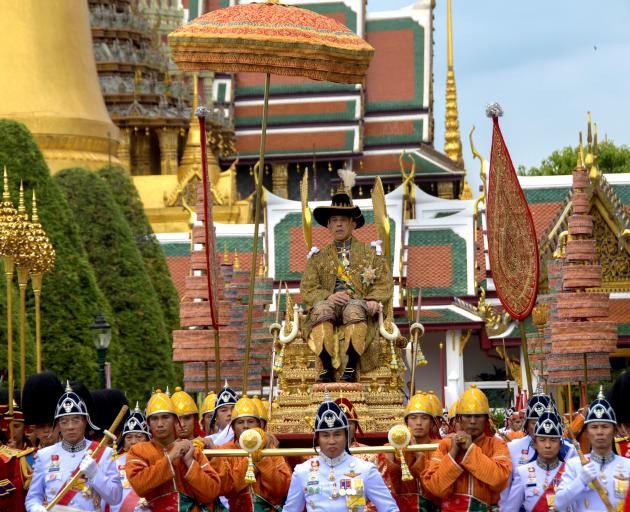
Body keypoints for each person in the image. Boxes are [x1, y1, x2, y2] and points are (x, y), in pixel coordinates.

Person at [300, 170, 393, 383]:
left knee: (354, 310)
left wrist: (372, 301)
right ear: (328, 225)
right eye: (334, 220)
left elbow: (384, 283)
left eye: (344, 220)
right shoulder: (318, 258)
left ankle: (351, 367)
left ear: (353, 224)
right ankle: (325, 367)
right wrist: (328, 296)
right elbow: (307, 289)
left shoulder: (371, 255)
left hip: (357, 304)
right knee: (321, 309)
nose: (339, 224)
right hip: (330, 306)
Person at [283, 397, 398, 511]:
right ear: (317, 438)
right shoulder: (302, 471)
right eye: (326, 435)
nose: (332, 441)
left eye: (337, 434)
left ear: (346, 435)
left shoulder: (365, 469)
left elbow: (390, 509)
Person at [25, 381, 122, 512]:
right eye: (64, 421)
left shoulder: (104, 453)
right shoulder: (44, 455)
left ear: (85, 422)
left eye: (76, 420)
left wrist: (95, 474)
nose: (70, 426)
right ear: (58, 425)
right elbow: (33, 498)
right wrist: (36, 509)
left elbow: (116, 497)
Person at [125, 389, 226, 511]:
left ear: (175, 421)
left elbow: (211, 492)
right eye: (154, 419)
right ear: (148, 423)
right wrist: (171, 457)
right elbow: (140, 486)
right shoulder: (138, 451)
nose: (160, 424)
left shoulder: (192, 449)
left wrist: (190, 462)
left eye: (165, 417)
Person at [422, 384, 511, 511]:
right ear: (459, 419)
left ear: (486, 419)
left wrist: (470, 449)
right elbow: (435, 487)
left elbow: (499, 480)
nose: (473, 421)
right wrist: (453, 452)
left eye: (478, 416)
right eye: (468, 416)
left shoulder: (497, 444)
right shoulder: (445, 445)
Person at [210, 395, 291, 511]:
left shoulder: (270, 449)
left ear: (259, 425)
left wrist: (263, 460)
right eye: (240, 422)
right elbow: (226, 487)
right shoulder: (224, 451)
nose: (246, 426)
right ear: (233, 427)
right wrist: (251, 462)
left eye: (251, 421)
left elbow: (283, 489)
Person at [555, 388, 630, 511]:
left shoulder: (627, 465)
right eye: (594, 427)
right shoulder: (575, 465)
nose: (599, 432)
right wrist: (580, 481)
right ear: (587, 433)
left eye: (605, 426)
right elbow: (558, 504)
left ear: (614, 430)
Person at [500, 387, 576, 506]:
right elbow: (506, 490)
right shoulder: (513, 448)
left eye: (546, 422)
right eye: (534, 423)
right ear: (526, 423)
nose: (540, 427)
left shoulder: (569, 450)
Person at [380, 391, 440, 511]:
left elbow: (437, 486)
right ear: (406, 422)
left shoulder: (438, 446)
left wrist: (418, 454)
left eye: (424, 418)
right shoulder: (390, 447)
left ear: (432, 423)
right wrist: (391, 461)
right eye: (413, 418)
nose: (418, 423)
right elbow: (386, 488)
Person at [111, 403, 151, 512]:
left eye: (139, 437)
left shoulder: (156, 462)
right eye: (129, 437)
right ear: (123, 443)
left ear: (148, 440)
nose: (133, 442)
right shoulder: (114, 463)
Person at [22, 372, 64, 449]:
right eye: (40, 426)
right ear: (34, 428)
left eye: (51, 425)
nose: (46, 431)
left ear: (60, 424)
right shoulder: (28, 459)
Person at [206, 382, 238, 446]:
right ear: (216, 417)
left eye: (233, 409)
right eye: (224, 410)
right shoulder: (207, 441)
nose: (229, 413)